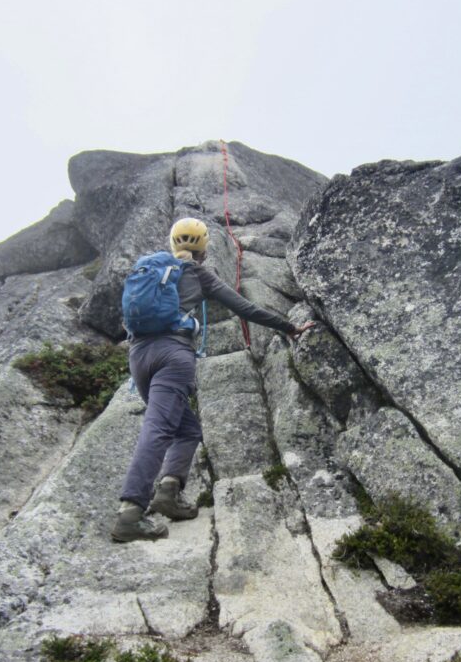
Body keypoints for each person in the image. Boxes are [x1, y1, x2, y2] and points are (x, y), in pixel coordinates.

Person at [112, 217, 316, 542]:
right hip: (173, 356)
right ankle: (130, 513)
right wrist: (289, 327)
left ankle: (168, 492)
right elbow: (244, 308)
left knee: (187, 429)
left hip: (139, 357)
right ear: (204, 246)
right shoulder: (198, 274)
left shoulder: (152, 270)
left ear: (173, 243)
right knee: (159, 428)